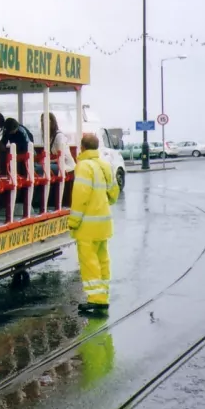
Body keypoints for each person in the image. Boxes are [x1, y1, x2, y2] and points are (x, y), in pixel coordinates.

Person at [67, 133, 120, 313]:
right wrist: (103, 203)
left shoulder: (83, 166)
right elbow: (114, 193)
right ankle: (102, 294)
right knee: (102, 260)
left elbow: (80, 196)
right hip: (104, 223)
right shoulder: (104, 165)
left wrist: (73, 221)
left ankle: (96, 299)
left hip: (87, 227)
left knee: (89, 262)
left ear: (82, 147)